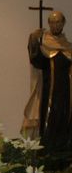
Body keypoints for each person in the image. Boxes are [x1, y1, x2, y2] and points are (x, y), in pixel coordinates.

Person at [23, 10, 72, 151]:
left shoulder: (68, 47)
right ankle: (49, 152)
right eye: (52, 22)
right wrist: (33, 40)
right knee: (49, 119)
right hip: (49, 90)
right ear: (49, 24)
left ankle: (64, 151)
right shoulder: (44, 45)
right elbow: (36, 61)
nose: (55, 25)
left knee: (65, 118)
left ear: (63, 23)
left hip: (66, 92)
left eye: (58, 22)